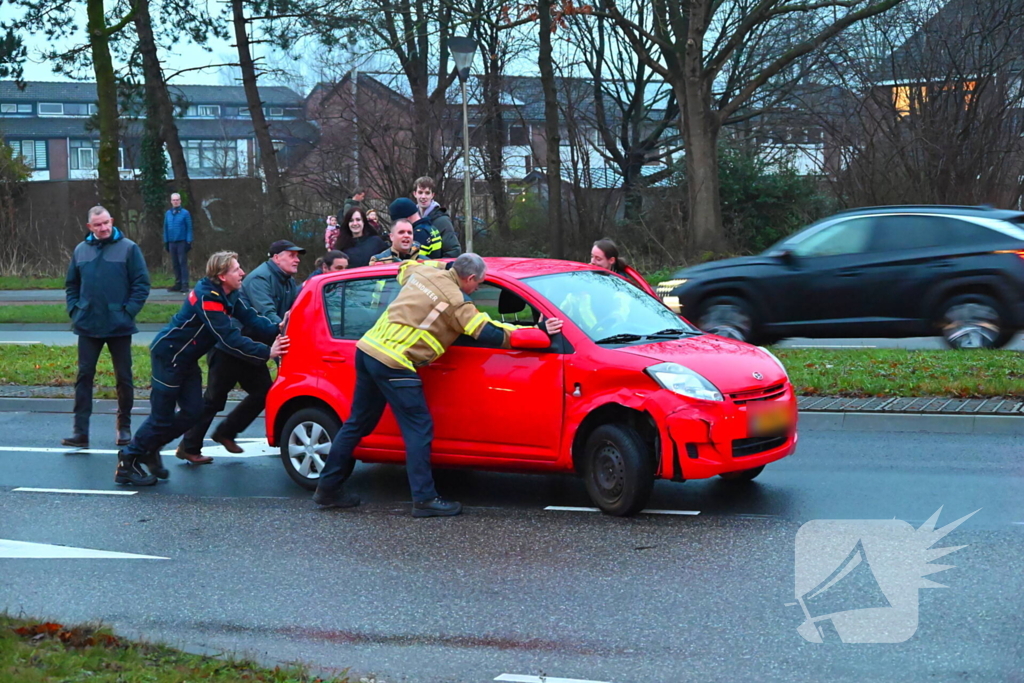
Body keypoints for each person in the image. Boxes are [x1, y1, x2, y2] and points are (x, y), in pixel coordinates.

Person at [313, 254, 564, 517]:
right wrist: (539, 331)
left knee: (356, 424)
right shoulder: (457, 303)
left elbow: (405, 266)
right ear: (468, 279)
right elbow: (490, 332)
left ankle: (327, 489)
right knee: (418, 428)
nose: (477, 288)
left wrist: (443, 265)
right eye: (477, 283)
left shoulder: (422, 273)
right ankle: (425, 499)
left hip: (367, 350)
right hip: (395, 361)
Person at [114, 251, 289, 486]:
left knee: (193, 412)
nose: (242, 273)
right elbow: (227, 337)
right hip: (169, 357)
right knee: (161, 418)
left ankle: (149, 448)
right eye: (236, 269)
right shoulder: (209, 298)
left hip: (187, 360)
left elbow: (252, 319)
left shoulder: (229, 294)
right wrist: (266, 352)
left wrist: (278, 327)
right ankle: (128, 460)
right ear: (222, 275)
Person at [177, 240, 304, 463]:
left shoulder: (287, 282)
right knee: (213, 400)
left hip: (250, 348)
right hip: (230, 349)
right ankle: (188, 446)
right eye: (292, 255)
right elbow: (263, 314)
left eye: (297, 255)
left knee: (265, 392)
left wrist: (280, 329)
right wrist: (274, 341)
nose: (297, 259)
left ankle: (225, 432)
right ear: (276, 257)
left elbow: (265, 317)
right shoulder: (259, 279)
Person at [62, 205, 151, 449]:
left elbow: (141, 284)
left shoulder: (129, 249)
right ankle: (80, 432)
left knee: (124, 378)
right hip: (87, 324)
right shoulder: (81, 250)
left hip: (119, 326)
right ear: (90, 227)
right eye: (97, 225)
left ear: (111, 221)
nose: (103, 228)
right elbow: (71, 284)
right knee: (84, 377)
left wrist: (127, 312)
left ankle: (124, 428)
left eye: (106, 223)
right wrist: (75, 310)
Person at [413, 176, 461, 257]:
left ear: (432, 195)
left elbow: (453, 251)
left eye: (427, 193)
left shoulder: (442, 221)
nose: (423, 197)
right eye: (420, 192)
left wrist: (438, 267)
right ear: (415, 194)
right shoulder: (412, 218)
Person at [163, 193, 193, 293]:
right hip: (171, 242)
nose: (175, 201)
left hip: (182, 241)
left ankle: (185, 284)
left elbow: (189, 228)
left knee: (182, 263)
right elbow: (166, 228)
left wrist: (189, 241)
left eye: (177, 200)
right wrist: (166, 241)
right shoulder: (168, 213)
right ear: (171, 201)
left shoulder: (185, 213)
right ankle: (178, 283)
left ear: (180, 201)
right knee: (175, 263)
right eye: (173, 200)